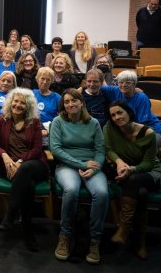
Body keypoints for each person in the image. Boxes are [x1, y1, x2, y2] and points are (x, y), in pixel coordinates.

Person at [50, 89, 108, 265]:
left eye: (73, 101)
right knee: (71, 190)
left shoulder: (94, 123)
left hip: (91, 166)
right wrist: (81, 165)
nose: (70, 105)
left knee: (102, 193)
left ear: (81, 102)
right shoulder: (58, 121)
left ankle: (95, 240)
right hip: (67, 165)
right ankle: (65, 235)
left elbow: (100, 150)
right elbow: (56, 150)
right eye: (66, 102)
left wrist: (94, 168)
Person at [0, 88, 48, 251]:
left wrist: (20, 161)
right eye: (16, 101)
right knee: (27, 186)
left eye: (22, 102)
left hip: (34, 164)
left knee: (26, 169)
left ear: (28, 105)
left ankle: (11, 214)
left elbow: (37, 149)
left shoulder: (34, 121)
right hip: (9, 166)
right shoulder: (2, 119)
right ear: (10, 102)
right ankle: (28, 230)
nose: (18, 105)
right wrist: (5, 157)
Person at [104, 100, 161, 259]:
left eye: (120, 112)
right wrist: (118, 161)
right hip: (125, 172)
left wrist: (132, 169)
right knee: (141, 194)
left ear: (129, 113)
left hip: (150, 173)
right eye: (113, 115)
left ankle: (124, 228)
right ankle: (140, 241)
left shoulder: (148, 133)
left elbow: (149, 163)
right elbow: (108, 149)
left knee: (135, 181)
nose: (117, 117)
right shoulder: (110, 128)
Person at [101, 70, 161, 148]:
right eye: (121, 82)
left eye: (128, 82)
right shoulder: (115, 90)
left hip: (152, 131)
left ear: (134, 84)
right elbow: (95, 86)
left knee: (137, 148)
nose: (123, 85)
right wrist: (82, 88)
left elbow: (142, 125)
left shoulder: (142, 98)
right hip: (128, 131)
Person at [33, 67, 60, 144]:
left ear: (51, 81)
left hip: (48, 129)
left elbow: (62, 117)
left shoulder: (56, 97)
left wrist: (48, 129)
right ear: (37, 79)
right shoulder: (31, 94)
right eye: (42, 78)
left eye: (48, 80)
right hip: (32, 127)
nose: (44, 82)